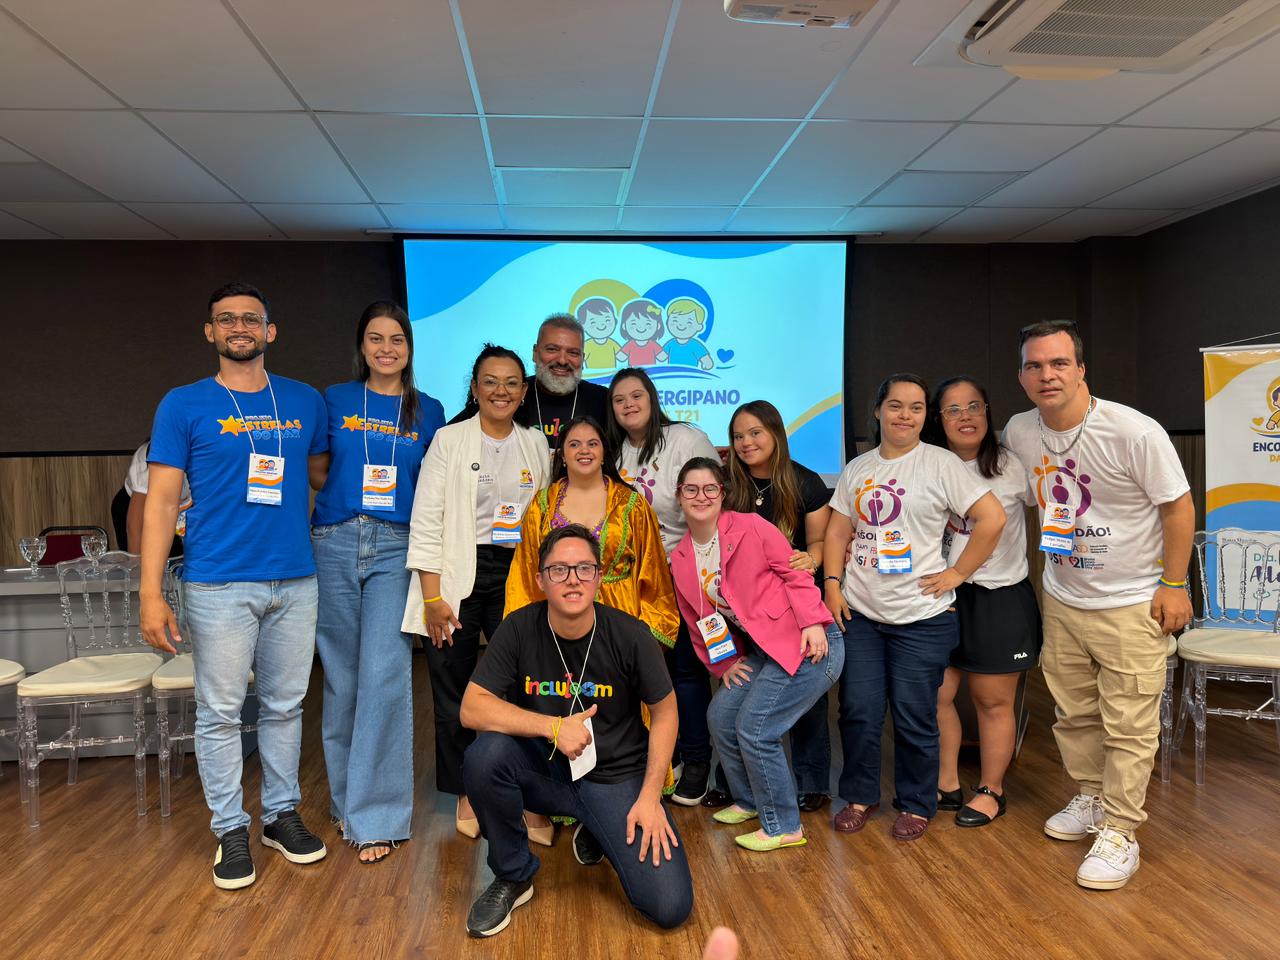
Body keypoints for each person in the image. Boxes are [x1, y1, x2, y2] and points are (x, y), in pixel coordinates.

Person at [139, 281, 329, 890]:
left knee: (284, 706)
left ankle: (280, 815)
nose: (239, 327)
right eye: (227, 319)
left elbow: (318, 475)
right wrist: (150, 593)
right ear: (210, 331)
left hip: (295, 580)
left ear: (270, 331)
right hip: (217, 584)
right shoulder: (183, 404)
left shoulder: (303, 400)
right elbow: (161, 502)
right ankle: (229, 830)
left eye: (251, 319)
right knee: (220, 712)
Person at [1003, 320, 1193, 890]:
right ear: (1022, 377)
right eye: (1035, 366)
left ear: (1081, 369)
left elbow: (1178, 507)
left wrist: (1174, 584)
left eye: (1059, 363)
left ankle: (1121, 831)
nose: (1047, 375)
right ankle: (1091, 797)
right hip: (1064, 596)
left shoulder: (1134, 431)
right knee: (1075, 713)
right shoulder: (1020, 430)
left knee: (1130, 723)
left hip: (1132, 600)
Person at [458, 524, 693, 938]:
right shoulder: (518, 628)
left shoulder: (630, 635)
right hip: (544, 770)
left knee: (669, 905)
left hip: (615, 778)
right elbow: (471, 708)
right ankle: (513, 875)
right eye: (559, 570)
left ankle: (599, 828)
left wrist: (650, 795)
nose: (572, 580)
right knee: (484, 757)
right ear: (540, 579)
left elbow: (666, 711)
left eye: (584, 568)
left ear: (599, 577)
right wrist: (551, 727)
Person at [823, 373, 1005, 842]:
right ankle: (859, 796)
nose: (906, 415)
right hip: (861, 614)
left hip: (922, 618)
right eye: (896, 405)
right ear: (878, 410)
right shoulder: (858, 467)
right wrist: (832, 585)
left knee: (914, 714)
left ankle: (916, 803)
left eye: (917, 407)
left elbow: (992, 518)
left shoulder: (941, 464)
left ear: (926, 416)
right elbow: (838, 531)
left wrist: (957, 573)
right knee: (858, 711)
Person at [308, 301, 445, 863]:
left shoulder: (429, 409)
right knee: (341, 680)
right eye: (375, 338)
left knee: (385, 675)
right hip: (335, 539)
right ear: (361, 346)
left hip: (396, 545)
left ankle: (377, 818)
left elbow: (432, 485)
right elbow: (319, 470)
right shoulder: (335, 399)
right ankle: (348, 802)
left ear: (409, 348)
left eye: (396, 339)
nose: (386, 349)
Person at [401, 344, 552, 841]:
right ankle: (467, 789)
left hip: (518, 576)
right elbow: (426, 521)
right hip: (456, 577)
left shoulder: (535, 444)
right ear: (474, 387)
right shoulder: (449, 440)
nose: (500, 391)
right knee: (453, 688)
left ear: (524, 391)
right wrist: (431, 597)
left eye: (511, 383)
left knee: (526, 684)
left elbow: (544, 519)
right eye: (490, 381)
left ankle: (531, 792)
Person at [670, 457, 843, 852]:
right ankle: (749, 800)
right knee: (721, 716)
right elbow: (699, 621)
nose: (701, 496)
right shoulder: (681, 559)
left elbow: (795, 573)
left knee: (756, 728)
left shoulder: (750, 527)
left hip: (809, 643)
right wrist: (726, 664)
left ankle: (783, 825)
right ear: (679, 496)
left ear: (722, 494)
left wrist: (812, 622)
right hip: (766, 652)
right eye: (691, 489)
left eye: (710, 488)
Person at [927, 377, 1041, 828]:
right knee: (935, 694)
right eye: (953, 409)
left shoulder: (1011, 465)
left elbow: (1057, 503)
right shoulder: (927, 463)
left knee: (992, 701)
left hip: (999, 597)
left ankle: (992, 789)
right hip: (940, 596)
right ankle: (947, 782)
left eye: (974, 406)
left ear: (988, 412)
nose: (965, 417)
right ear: (938, 419)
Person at [607, 368, 720, 805]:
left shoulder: (685, 440)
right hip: (633, 582)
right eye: (620, 399)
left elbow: (715, 501)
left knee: (686, 673)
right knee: (644, 675)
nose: (629, 405)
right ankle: (661, 759)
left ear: (652, 399)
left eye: (637, 396)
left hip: (684, 575)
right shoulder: (613, 452)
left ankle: (696, 760)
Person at [725, 400, 833, 812]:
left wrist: (812, 559)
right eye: (738, 436)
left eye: (755, 433)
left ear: (775, 433)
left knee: (806, 696)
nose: (746, 442)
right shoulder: (728, 483)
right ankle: (738, 786)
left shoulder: (805, 482)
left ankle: (812, 782)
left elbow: (819, 542)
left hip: (794, 609)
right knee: (739, 695)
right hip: (745, 611)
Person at [505, 415, 678, 651]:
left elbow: (654, 577)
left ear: (604, 453)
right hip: (555, 630)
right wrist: (525, 637)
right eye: (574, 444)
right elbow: (524, 577)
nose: (584, 450)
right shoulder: (542, 505)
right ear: (561, 455)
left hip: (621, 630)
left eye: (592, 443)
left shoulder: (631, 505)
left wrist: (645, 642)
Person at [449, 313, 609, 441]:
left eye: (573, 353)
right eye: (552, 349)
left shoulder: (603, 399)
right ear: (535, 352)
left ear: (583, 358)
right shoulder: (509, 394)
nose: (562, 360)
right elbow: (449, 436)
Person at [119, 439, 189, 554]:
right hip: (136, 509)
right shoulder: (154, 457)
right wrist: (136, 563)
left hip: (178, 508)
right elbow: (135, 529)